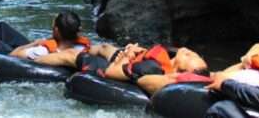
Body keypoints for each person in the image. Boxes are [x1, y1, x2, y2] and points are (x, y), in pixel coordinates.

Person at [80, 42, 209, 95]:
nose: (189, 52)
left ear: (177, 71)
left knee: (104, 48)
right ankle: (86, 47)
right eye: (196, 54)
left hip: (121, 63)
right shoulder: (167, 59)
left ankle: (74, 51)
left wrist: (127, 54)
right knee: (105, 47)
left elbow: (110, 72)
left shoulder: (150, 68)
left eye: (188, 56)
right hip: (135, 58)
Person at [9, 11, 91, 68]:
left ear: (56, 31)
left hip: (33, 54)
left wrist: (34, 43)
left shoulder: (42, 51)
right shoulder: (84, 49)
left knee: (1, 28)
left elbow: (11, 56)